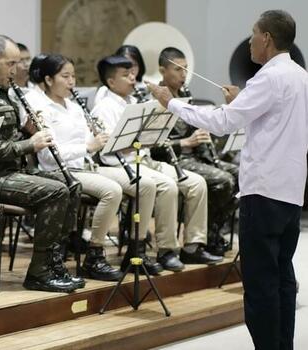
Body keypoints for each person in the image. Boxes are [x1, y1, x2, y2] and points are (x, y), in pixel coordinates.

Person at [147, 10, 308, 350]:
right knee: (282, 278)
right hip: (290, 190)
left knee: (261, 284)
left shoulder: (268, 77)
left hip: (263, 191)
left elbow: (220, 123)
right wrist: (242, 103)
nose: (250, 40)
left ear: (266, 38)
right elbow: (275, 122)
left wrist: (171, 102)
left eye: (253, 33)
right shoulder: (299, 74)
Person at [0, 35, 82, 293]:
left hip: (11, 172)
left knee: (72, 185)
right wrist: (29, 144)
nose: (16, 69)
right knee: (55, 192)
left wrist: (26, 130)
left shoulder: (4, 92)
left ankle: (54, 261)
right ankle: (39, 272)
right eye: (11, 63)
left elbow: (6, 138)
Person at [33, 54, 162, 279]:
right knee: (111, 190)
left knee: (145, 184)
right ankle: (94, 255)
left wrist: (100, 139)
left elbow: (92, 145)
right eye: (65, 76)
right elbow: (48, 154)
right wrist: (88, 145)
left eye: (73, 76)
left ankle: (135, 249)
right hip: (59, 171)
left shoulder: (74, 107)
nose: (72, 81)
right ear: (49, 79)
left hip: (86, 167)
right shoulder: (41, 108)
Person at [93, 54, 222, 272]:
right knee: (167, 186)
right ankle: (165, 250)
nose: (133, 79)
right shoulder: (103, 107)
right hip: (119, 165)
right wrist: (142, 137)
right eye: (125, 76)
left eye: (133, 74)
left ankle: (192, 246)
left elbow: (148, 141)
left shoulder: (135, 102)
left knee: (197, 183)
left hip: (146, 160)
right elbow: (108, 147)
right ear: (111, 82)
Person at [151, 47, 239, 256]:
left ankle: (212, 231)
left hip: (196, 158)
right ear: (163, 71)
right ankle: (204, 237)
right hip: (174, 160)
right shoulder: (156, 98)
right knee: (223, 180)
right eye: (178, 69)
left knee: (241, 174)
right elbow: (152, 147)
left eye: (186, 69)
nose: (184, 74)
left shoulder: (185, 95)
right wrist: (185, 142)